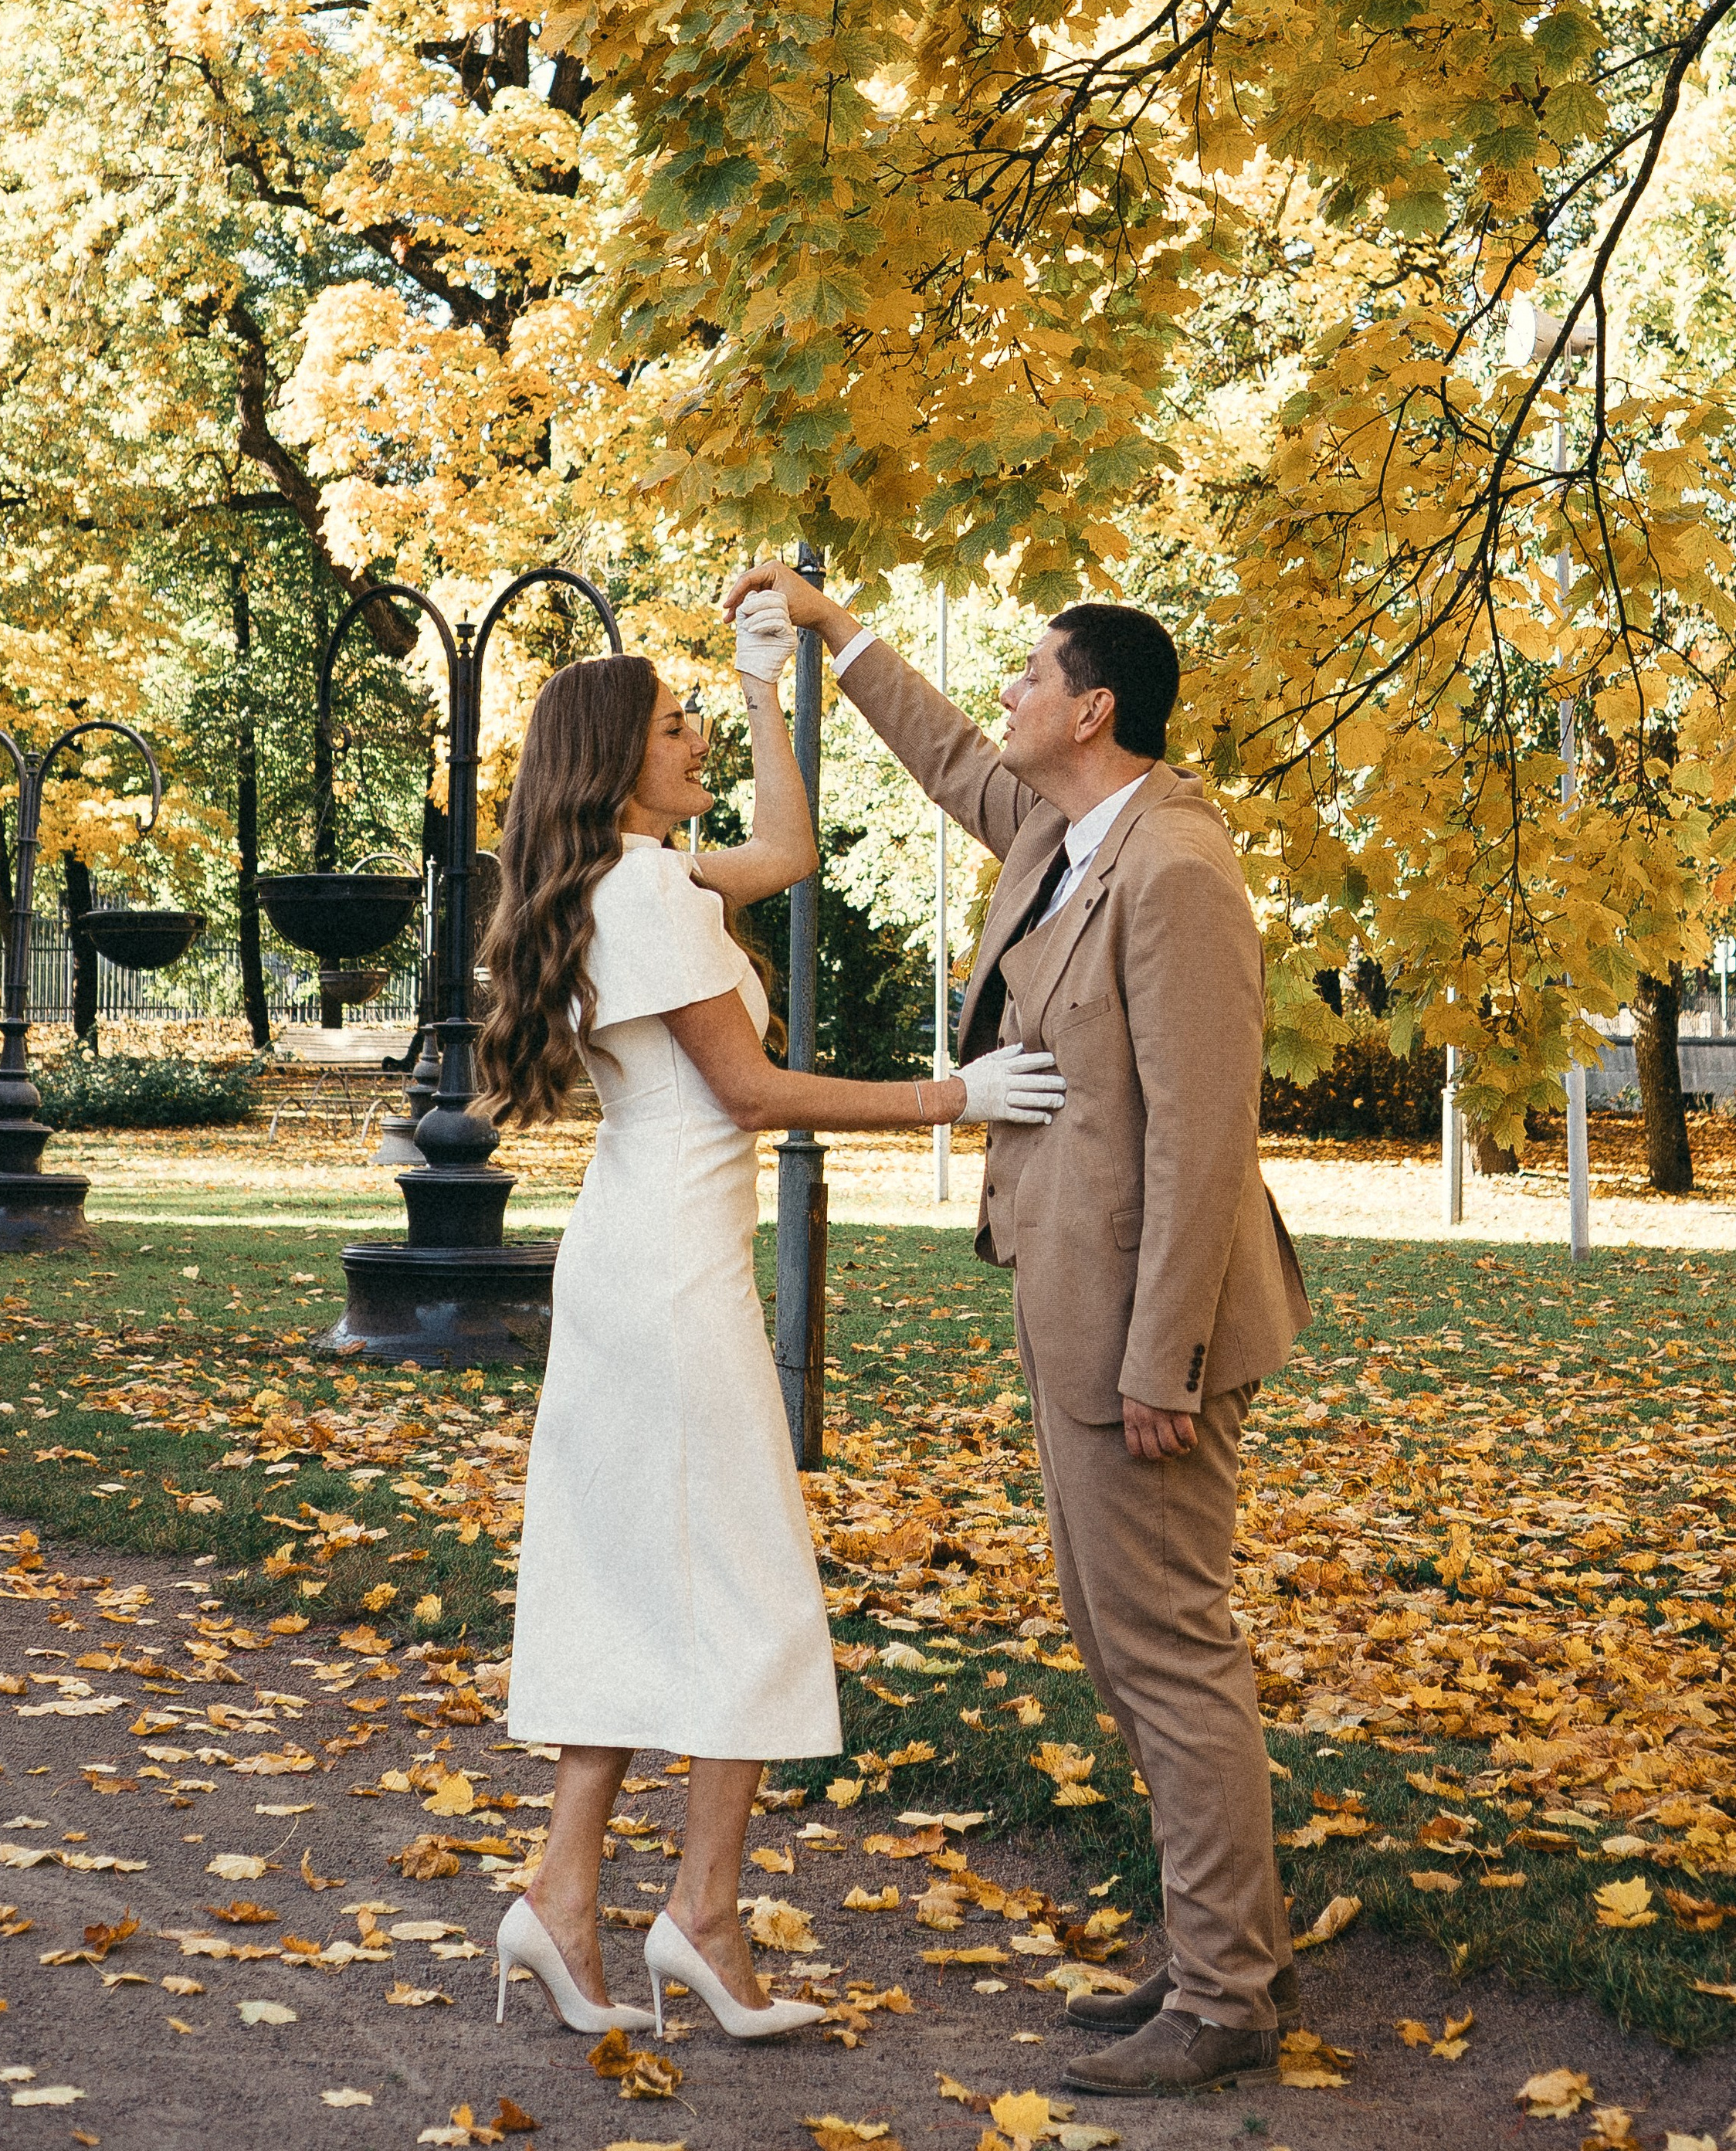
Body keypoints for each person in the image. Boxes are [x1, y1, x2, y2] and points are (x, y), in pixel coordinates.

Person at [724, 564, 1311, 2095]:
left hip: (1142, 1335)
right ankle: (1213, 1953)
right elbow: (946, 759)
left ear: (1092, 707)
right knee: (1126, 1652)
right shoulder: (1066, 831)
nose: (1006, 699)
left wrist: (1161, 1362)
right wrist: (838, 634)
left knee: (1169, 1656)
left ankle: (1225, 1994)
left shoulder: (1173, 868)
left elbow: (1202, 1138)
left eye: (1029, 677)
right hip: (1076, 1312)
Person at [473, 592, 1067, 2046]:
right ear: (615, 762)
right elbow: (752, 1094)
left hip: (637, 1260)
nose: (698, 743)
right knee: (752, 1591)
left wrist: (763, 686)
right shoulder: (649, 895)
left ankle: (565, 1894)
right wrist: (956, 1095)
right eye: (676, 723)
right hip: (672, 1277)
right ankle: (701, 1915)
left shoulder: (638, 879)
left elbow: (791, 854)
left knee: (634, 1581)